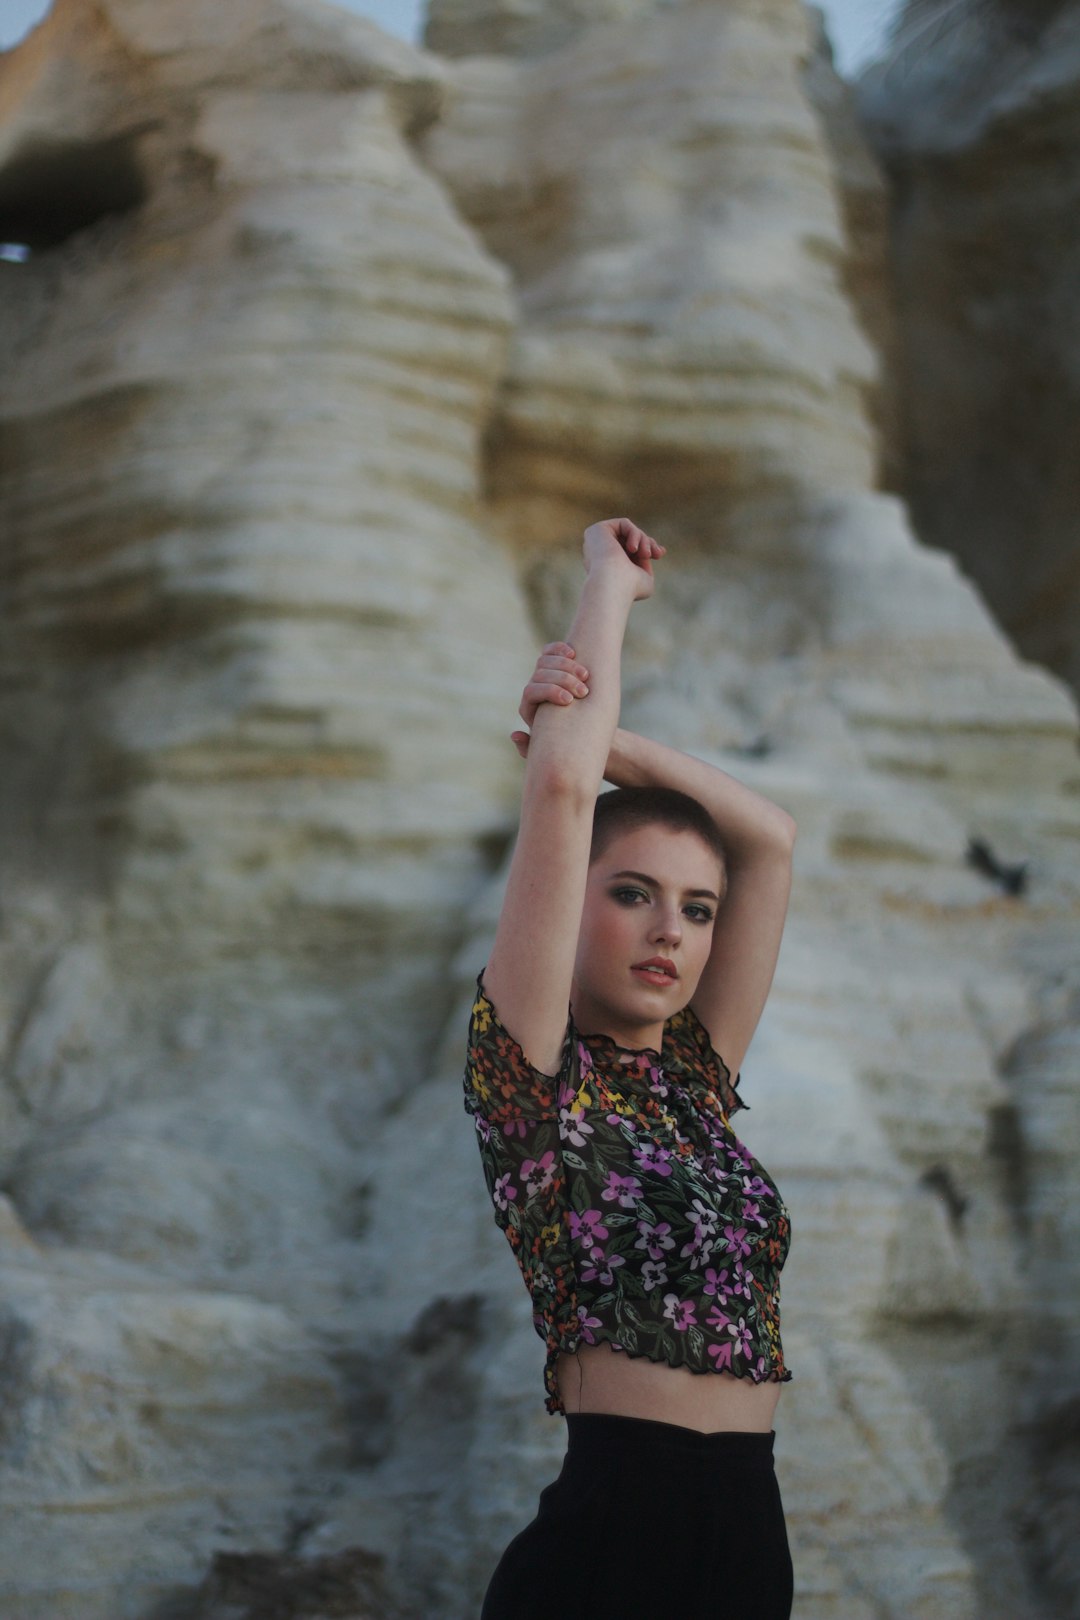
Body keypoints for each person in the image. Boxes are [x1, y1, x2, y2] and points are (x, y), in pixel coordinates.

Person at [463, 518, 797, 1620]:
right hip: (613, 1541)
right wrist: (607, 586)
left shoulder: (698, 1083)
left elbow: (771, 840)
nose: (671, 932)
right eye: (631, 893)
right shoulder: (529, 1075)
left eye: (697, 911)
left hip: (751, 1537)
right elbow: (560, 793)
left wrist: (622, 746)